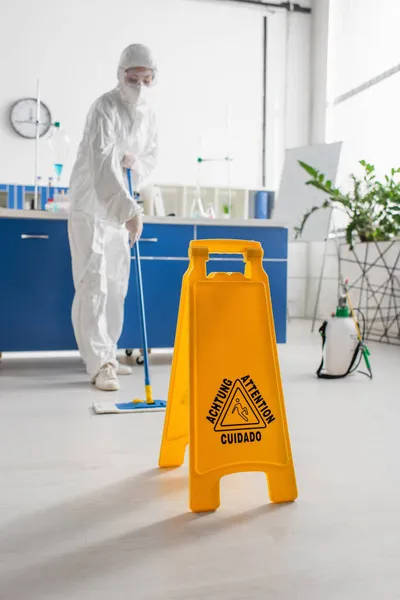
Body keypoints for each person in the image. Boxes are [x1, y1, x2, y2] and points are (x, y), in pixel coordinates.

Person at [68, 44, 158, 391]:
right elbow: (101, 165)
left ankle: (110, 351)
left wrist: (137, 163)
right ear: (120, 75)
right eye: (132, 78)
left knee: (117, 285)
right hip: (91, 206)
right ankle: (98, 362)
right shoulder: (103, 107)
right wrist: (130, 212)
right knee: (94, 284)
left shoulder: (149, 115)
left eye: (146, 79)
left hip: (120, 209)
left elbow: (152, 156)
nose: (139, 85)